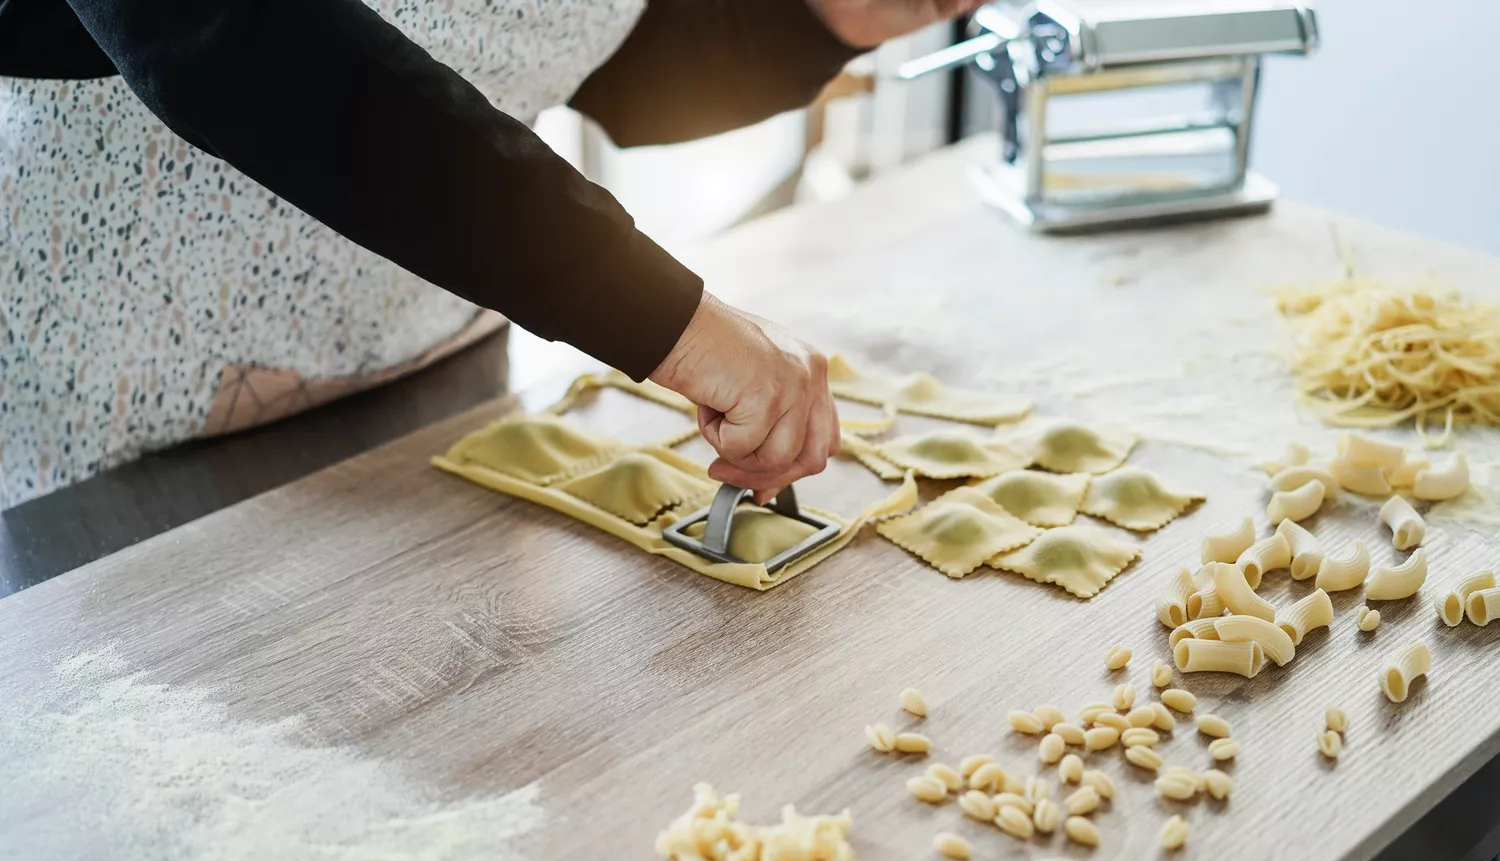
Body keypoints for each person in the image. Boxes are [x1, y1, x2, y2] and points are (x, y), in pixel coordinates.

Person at [0, 0, 975, 507]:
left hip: (429, 375)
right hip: (110, 431)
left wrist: (819, 18)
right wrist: (660, 315)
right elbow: (233, 42)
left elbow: (594, 57)